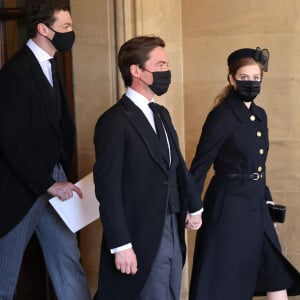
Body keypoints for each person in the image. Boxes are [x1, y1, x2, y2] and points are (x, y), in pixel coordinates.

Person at [93, 35, 203, 300]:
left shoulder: (162, 114)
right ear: (136, 71)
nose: (167, 71)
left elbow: (177, 165)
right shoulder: (114, 121)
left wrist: (194, 205)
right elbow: (107, 189)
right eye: (161, 64)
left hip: (173, 225)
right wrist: (120, 244)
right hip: (140, 233)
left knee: (171, 292)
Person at [188, 47, 300, 300]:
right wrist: (192, 207)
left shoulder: (259, 115)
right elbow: (200, 165)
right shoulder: (222, 116)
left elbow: (259, 166)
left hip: (257, 206)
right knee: (228, 279)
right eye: (244, 78)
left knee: (275, 272)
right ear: (231, 79)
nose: (251, 83)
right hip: (229, 209)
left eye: (256, 78)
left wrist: (268, 202)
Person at [0, 1, 91, 299]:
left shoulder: (50, 64)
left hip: (55, 178)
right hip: (21, 189)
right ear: (43, 29)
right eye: (65, 28)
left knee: (67, 259)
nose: (70, 33)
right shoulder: (14, 73)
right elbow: (9, 140)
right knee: (5, 273)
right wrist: (47, 183)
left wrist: (59, 170)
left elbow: (58, 124)